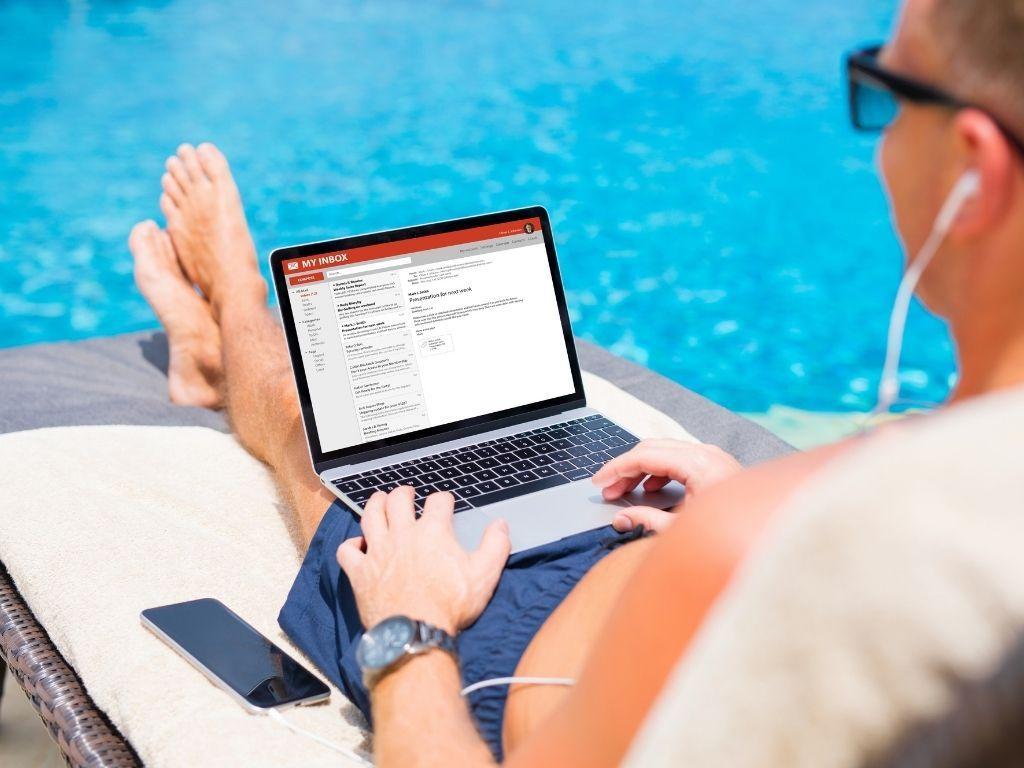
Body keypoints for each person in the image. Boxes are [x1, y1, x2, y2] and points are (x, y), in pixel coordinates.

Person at [127, 0, 1024, 763]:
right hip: (646, 562)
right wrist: (756, 515)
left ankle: (234, 312)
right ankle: (219, 345)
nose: (882, 141)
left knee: (308, 443)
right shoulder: (950, 485)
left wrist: (409, 627)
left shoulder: (758, 537)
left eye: (886, 91)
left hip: (509, 649)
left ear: (972, 172)